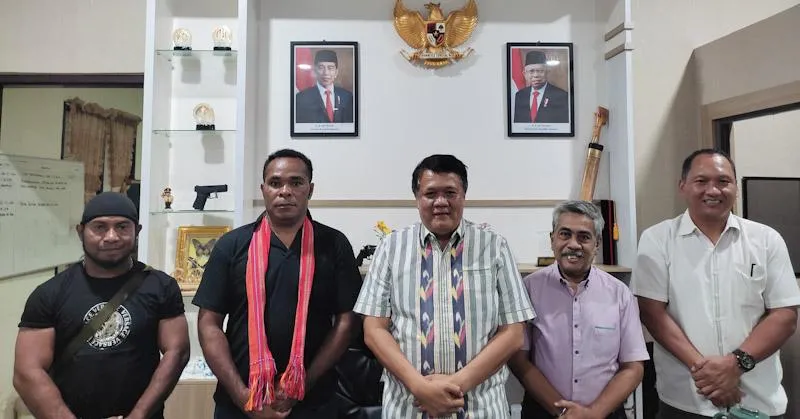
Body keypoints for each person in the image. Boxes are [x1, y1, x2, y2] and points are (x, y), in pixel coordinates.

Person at [354, 154, 536, 418]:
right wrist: (420, 387)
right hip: (409, 407)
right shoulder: (391, 248)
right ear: (417, 198)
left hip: (480, 409)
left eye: (450, 193)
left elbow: (514, 332)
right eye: (430, 194)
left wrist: (455, 385)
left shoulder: (494, 246)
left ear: (463, 195)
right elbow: (374, 329)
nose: (441, 202)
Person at [193, 148, 362, 419]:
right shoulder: (232, 245)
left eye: (296, 182)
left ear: (310, 189)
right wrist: (242, 396)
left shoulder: (334, 244)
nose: (285, 191)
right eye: (275, 183)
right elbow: (209, 323)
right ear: (263, 190)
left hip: (315, 401)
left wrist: (303, 384)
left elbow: (347, 322)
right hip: (238, 402)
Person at [631, 149, 800, 418]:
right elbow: (652, 313)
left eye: (723, 181)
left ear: (736, 188)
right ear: (683, 186)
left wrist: (735, 365)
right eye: (701, 181)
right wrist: (711, 376)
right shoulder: (657, 239)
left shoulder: (767, 240)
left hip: (759, 399)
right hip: (685, 401)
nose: (713, 190)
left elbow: (785, 315)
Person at [13, 192, 190, 419]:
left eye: (122, 227)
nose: (111, 236)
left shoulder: (160, 286)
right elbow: (27, 372)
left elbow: (177, 351)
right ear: (81, 232)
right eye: (100, 227)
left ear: (137, 231)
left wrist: (139, 414)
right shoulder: (49, 293)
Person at [509, 200, 649, 419]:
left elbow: (633, 367)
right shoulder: (528, 289)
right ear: (552, 239)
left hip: (605, 414)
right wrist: (565, 413)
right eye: (565, 234)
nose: (573, 244)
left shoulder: (620, 293)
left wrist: (593, 413)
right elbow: (519, 361)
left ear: (597, 243)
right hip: (543, 411)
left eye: (584, 237)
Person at [295, 49, 355, 124]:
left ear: (336, 72)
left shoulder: (347, 97)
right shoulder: (301, 98)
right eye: (321, 67)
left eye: (330, 68)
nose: (326, 73)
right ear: (315, 71)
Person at [513, 50, 569, 123]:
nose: (536, 75)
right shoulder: (519, 96)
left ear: (547, 72)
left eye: (540, 71)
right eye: (531, 71)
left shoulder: (561, 96)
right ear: (524, 74)